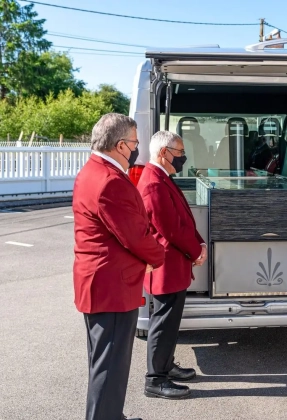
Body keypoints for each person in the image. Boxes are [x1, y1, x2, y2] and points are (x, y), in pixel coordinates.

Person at [73, 113, 165, 420]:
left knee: (105, 364)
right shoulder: (110, 181)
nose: (137, 149)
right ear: (121, 145)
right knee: (110, 367)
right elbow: (136, 235)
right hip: (111, 287)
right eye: (136, 143)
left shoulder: (93, 171)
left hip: (101, 284)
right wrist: (156, 258)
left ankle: (112, 415)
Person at [136, 131, 208, 399]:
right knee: (163, 323)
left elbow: (182, 220)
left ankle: (166, 366)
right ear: (164, 152)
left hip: (172, 265)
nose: (182, 158)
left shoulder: (160, 177)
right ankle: (155, 379)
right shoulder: (154, 183)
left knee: (169, 321)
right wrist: (195, 250)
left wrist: (198, 244)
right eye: (179, 153)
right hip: (165, 267)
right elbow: (171, 229)